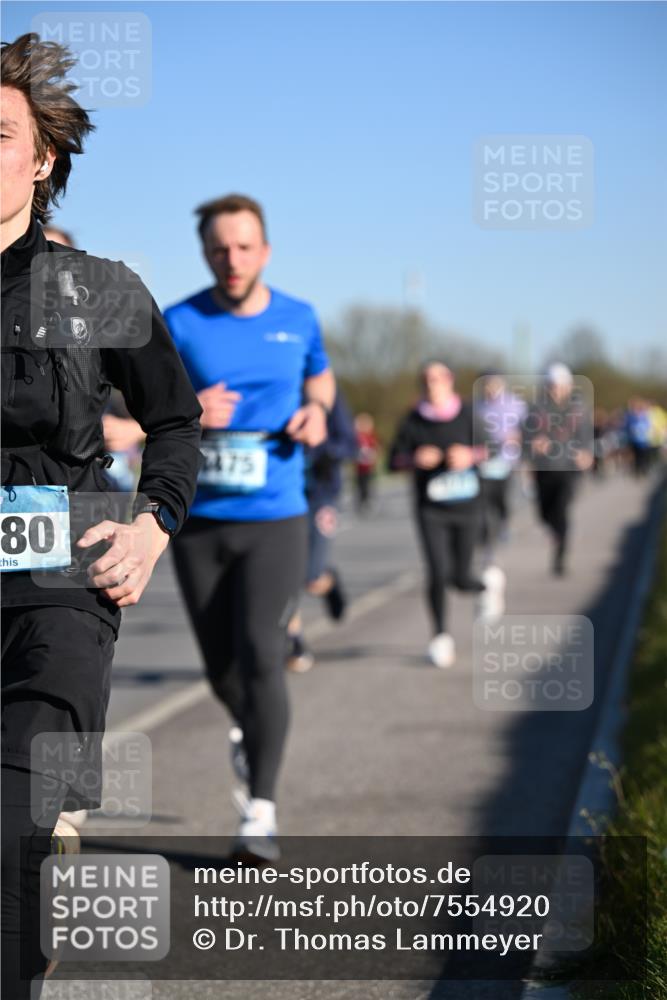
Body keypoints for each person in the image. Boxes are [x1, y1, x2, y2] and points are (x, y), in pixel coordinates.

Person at [1, 33, 202, 999]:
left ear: (41, 159)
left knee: (10, 832)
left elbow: (173, 421)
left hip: (60, 591)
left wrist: (152, 525)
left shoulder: (100, 291)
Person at [165, 193, 335, 859]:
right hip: (199, 518)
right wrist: (189, 407)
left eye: (243, 246)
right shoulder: (178, 321)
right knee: (219, 667)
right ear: (205, 252)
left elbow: (319, 382)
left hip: (276, 515)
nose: (231, 259)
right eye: (218, 248)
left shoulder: (299, 318)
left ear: (264, 250)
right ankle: (250, 727)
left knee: (264, 651)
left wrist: (316, 412)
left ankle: (259, 811)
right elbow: (142, 405)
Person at [389, 361, 486, 669]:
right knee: (437, 571)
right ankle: (441, 636)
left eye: (439, 378)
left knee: (460, 576)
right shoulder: (413, 420)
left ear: (450, 380)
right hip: (430, 509)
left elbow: (496, 449)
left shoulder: (468, 414)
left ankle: (486, 585)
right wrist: (414, 459)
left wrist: (470, 455)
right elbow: (394, 460)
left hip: (467, 507)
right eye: (427, 379)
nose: (433, 384)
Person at [287, 391, 358, 672]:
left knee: (309, 576)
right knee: (283, 573)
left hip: (320, 496)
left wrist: (320, 446)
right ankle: (294, 640)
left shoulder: (327, 396)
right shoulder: (271, 384)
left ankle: (327, 581)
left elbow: (349, 445)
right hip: (282, 496)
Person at [523, 363, 593, 576]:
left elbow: (586, 436)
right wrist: (533, 445)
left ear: (569, 386)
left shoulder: (578, 410)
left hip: (569, 469)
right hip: (544, 470)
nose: (557, 390)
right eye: (553, 385)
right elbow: (525, 438)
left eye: (561, 385)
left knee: (561, 509)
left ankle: (560, 555)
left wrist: (586, 454)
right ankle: (557, 535)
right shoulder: (536, 410)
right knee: (544, 514)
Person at [473, 371, 527, 619]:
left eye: (494, 384)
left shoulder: (516, 405)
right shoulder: (476, 406)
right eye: (487, 385)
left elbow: (528, 429)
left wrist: (517, 438)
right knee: (483, 508)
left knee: (502, 503)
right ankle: (486, 537)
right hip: (483, 465)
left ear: (502, 385)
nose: (490, 389)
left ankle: (503, 523)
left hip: (506, 463)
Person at [354, 411, 380, 513]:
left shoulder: (371, 437)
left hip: (369, 466)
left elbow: (376, 447)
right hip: (360, 466)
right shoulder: (357, 437)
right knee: (360, 484)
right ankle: (361, 501)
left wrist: (373, 455)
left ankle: (368, 500)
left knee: (369, 484)